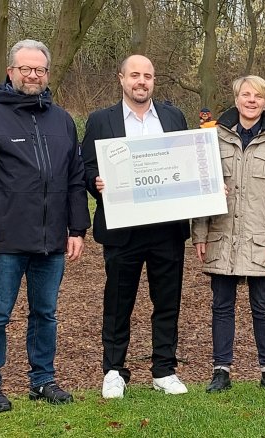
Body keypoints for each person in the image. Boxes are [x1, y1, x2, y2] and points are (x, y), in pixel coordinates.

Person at [0, 39, 90, 413]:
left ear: (47, 74)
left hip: (52, 239)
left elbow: (74, 177)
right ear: (11, 72)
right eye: (25, 69)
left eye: (40, 70)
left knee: (45, 313)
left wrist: (77, 229)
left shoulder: (62, 120)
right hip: (6, 239)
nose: (33, 75)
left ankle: (42, 379)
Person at [81, 54, 190, 399]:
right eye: (135, 76)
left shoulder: (173, 117)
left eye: (148, 76)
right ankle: (114, 370)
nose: (141, 82)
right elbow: (84, 167)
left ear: (154, 81)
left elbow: (186, 164)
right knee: (118, 301)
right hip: (122, 228)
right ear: (121, 79)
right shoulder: (101, 120)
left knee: (168, 301)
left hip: (166, 227)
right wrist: (95, 181)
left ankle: (164, 370)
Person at [191, 75, 265, 395]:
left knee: (263, 306)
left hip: (261, 240)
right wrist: (200, 233)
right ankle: (221, 371)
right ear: (236, 98)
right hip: (222, 236)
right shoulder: (212, 138)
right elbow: (200, 188)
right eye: (246, 95)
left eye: (259, 96)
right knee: (221, 305)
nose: (251, 101)